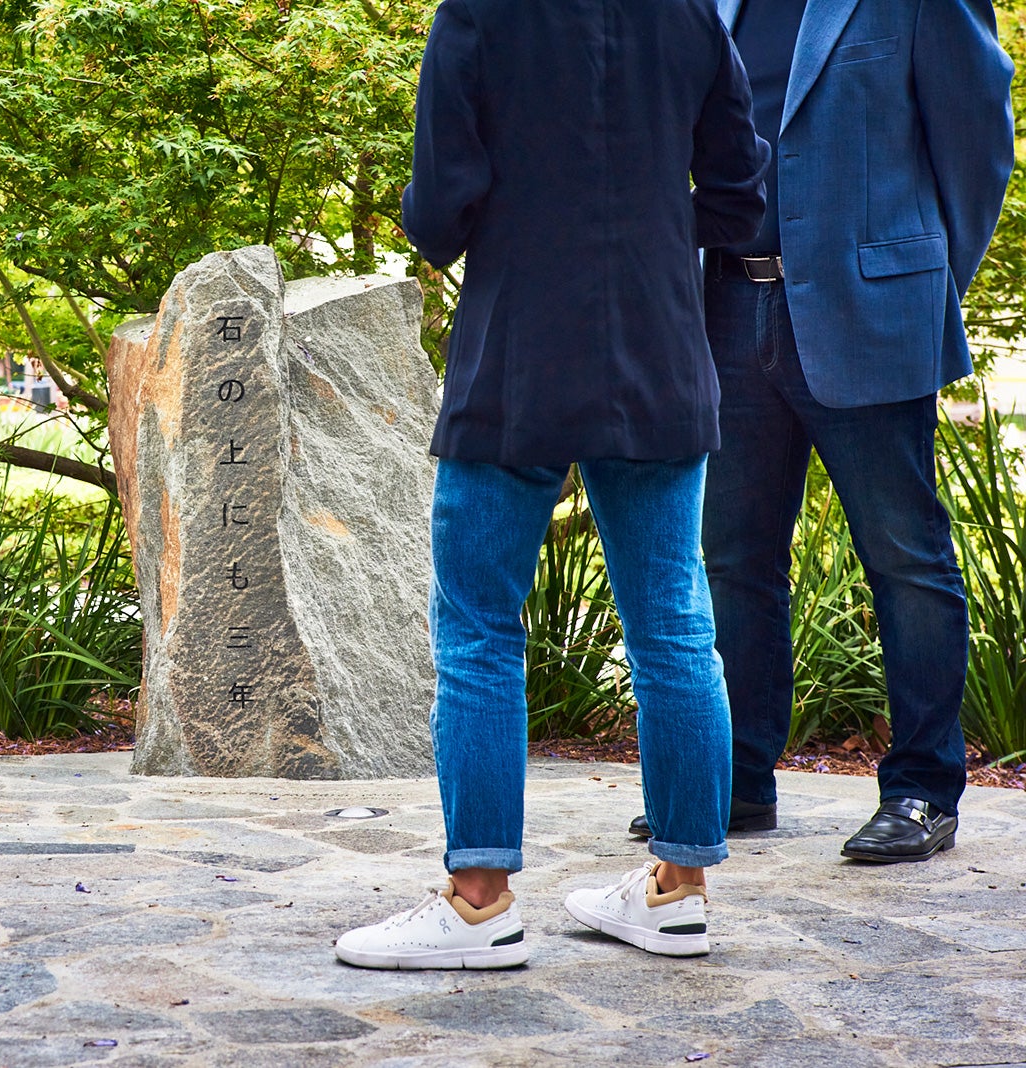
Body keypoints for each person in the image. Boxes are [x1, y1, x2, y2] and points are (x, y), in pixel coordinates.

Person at [335, 0, 768, 969]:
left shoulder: (480, 14)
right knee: (673, 620)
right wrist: (647, 227)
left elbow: (438, 217)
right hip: (658, 349)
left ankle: (479, 904)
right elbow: (742, 199)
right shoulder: (690, 15)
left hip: (517, 355)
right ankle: (679, 888)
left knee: (480, 622)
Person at [628, 0, 1015, 863]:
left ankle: (922, 790)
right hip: (722, 307)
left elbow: (978, 139)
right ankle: (738, 782)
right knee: (732, 558)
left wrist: (925, 286)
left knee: (906, 557)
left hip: (869, 309)